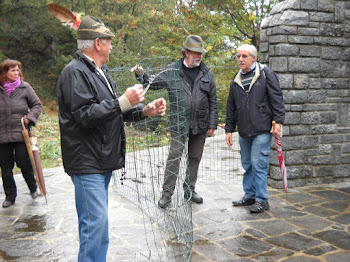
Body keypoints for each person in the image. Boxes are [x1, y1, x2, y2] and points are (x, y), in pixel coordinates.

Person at [56, 15, 166, 262]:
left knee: (98, 228)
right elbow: (85, 115)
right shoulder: (74, 73)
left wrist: (145, 110)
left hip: (101, 160)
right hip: (87, 163)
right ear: (97, 43)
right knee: (94, 228)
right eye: (109, 41)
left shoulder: (100, 71)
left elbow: (115, 112)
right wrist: (124, 101)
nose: (112, 46)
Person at [131, 35, 218, 208]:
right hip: (180, 123)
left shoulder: (206, 73)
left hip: (200, 124)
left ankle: (190, 190)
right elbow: (153, 83)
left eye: (201, 53)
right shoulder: (172, 71)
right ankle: (166, 194)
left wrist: (212, 123)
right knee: (174, 157)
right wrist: (141, 74)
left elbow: (213, 101)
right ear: (186, 53)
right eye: (196, 53)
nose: (200, 56)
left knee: (194, 158)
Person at [225, 44, 285, 213]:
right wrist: (229, 129)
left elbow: (277, 99)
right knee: (247, 164)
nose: (240, 59)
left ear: (254, 57)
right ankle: (249, 195)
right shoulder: (236, 80)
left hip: (262, 129)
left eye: (244, 56)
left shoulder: (266, 74)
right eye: (238, 56)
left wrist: (278, 121)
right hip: (244, 131)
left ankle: (262, 200)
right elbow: (231, 107)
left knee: (258, 164)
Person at [0, 59, 42, 208]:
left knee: (23, 162)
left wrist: (30, 118)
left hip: (21, 133)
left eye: (18, 70)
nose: (16, 73)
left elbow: (37, 105)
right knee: (5, 167)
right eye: (13, 70)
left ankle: (33, 188)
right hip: (2, 135)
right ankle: (10, 197)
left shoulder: (25, 88)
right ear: (4, 72)